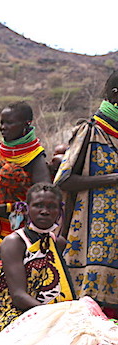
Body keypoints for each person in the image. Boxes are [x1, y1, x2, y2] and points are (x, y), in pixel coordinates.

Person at [54, 70, 118, 317]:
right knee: (87, 311)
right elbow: (65, 179)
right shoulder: (90, 131)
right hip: (88, 239)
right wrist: (112, 179)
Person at [0, 183, 73, 337]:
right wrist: (53, 316)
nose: (45, 211)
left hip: (45, 310)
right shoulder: (15, 243)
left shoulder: (57, 243)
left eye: (52, 207)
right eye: (38, 205)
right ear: (27, 209)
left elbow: (64, 285)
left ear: (59, 211)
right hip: (11, 313)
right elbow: (18, 296)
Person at [0, 101, 51, 235]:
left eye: (9, 123)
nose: (3, 128)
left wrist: (7, 209)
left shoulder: (35, 158)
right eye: (2, 123)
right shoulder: (3, 152)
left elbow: (45, 201)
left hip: (19, 233)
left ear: (27, 123)